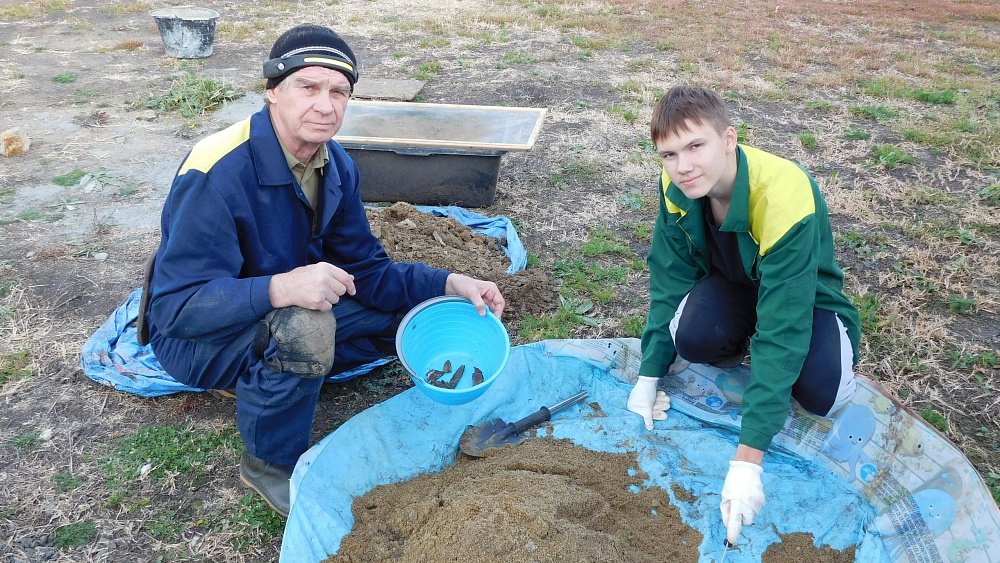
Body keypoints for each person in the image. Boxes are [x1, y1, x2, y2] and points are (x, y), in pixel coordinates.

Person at [140, 23, 505, 518]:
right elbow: (175, 309)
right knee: (308, 327)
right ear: (272, 91)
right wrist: (282, 286)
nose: (325, 104)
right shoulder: (216, 172)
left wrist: (447, 283)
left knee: (410, 317)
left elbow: (368, 272)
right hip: (197, 338)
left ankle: (277, 371)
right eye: (307, 87)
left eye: (339, 91)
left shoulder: (335, 165)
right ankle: (268, 462)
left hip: (276, 305)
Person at [626, 85, 861, 544]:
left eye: (696, 146)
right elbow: (669, 279)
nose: (684, 166)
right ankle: (738, 355)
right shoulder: (677, 188)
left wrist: (747, 460)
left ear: (729, 139)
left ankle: (783, 381)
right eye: (668, 154)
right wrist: (648, 375)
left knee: (823, 393)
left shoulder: (785, 194)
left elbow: (784, 326)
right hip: (735, 289)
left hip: (803, 302)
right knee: (690, 339)